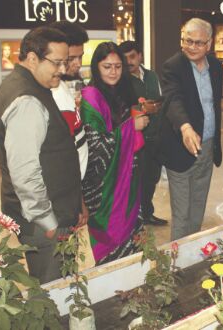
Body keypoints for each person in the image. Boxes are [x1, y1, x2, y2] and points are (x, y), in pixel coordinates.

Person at [0, 27, 83, 284]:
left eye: (65, 62)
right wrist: (48, 221)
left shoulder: (30, 85)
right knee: (53, 292)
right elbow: (25, 172)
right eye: (57, 62)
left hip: (50, 213)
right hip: (43, 223)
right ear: (32, 58)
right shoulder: (27, 100)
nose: (63, 69)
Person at [80, 42, 149, 264]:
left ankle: (133, 286)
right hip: (104, 188)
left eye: (118, 66)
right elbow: (96, 148)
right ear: (96, 67)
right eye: (107, 66)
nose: (113, 72)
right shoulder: (91, 96)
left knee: (134, 244)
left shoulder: (119, 92)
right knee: (113, 250)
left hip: (127, 178)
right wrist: (131, 128)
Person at [160, 18, 223, 241]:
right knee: (182, 213)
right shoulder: (173, 66)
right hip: (181, 146)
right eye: (187, 41)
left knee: (198, 205)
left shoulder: (216, 66)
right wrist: (186, 128)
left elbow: (213, 104)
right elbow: (172, 100)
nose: (191, 47)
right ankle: (176, 263)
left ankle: (192, 251)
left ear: (209, 44)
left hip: (207, 146)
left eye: (198, 43)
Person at [119, 40, 167, 226]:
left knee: (151, 179)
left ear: (140, 55)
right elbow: (118, 109)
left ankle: (147, 213)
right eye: (125, 59)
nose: (129, 61)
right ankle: (132, 220)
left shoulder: (152, 75)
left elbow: (162, 99)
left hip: (155, 137)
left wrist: (157, 105)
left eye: (132, 56)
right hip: (134, 139)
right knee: (134, 182)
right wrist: (140, 107)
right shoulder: (121, 80)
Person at [49, 21, 89, 181]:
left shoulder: (62, 86)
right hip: (65, 188)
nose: (78, 63)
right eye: (72, 58)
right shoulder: (50, 92)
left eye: (81, 56)